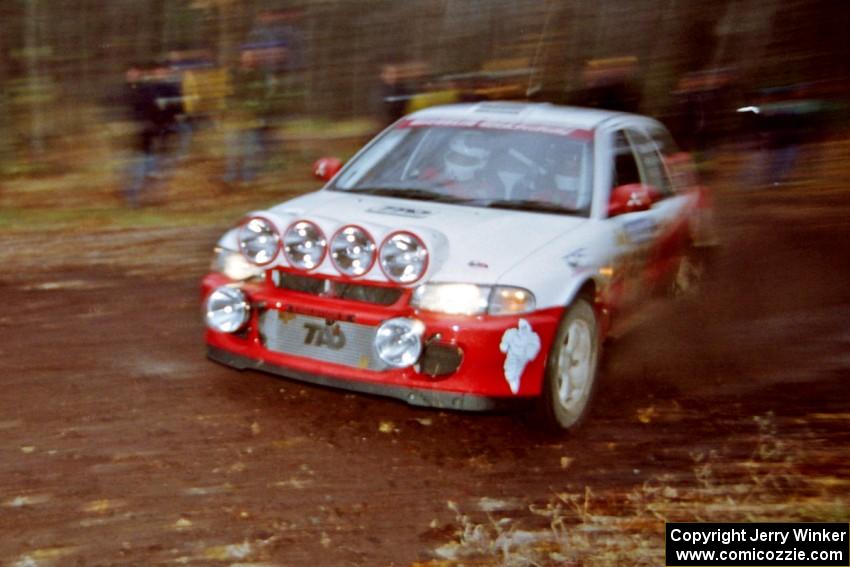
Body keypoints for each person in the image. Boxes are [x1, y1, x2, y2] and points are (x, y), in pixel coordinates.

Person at [123, 61, 184, 206]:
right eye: (157, 71)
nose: (160, 74)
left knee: (161, 169)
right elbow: (139, 108)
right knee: (143, 166)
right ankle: (135, 198)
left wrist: (172, 117)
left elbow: (179, 109)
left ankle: (156, 199)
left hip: (166, 133)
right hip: (147, 134)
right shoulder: (146, 88)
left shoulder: (173, 88)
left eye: (163, 71)